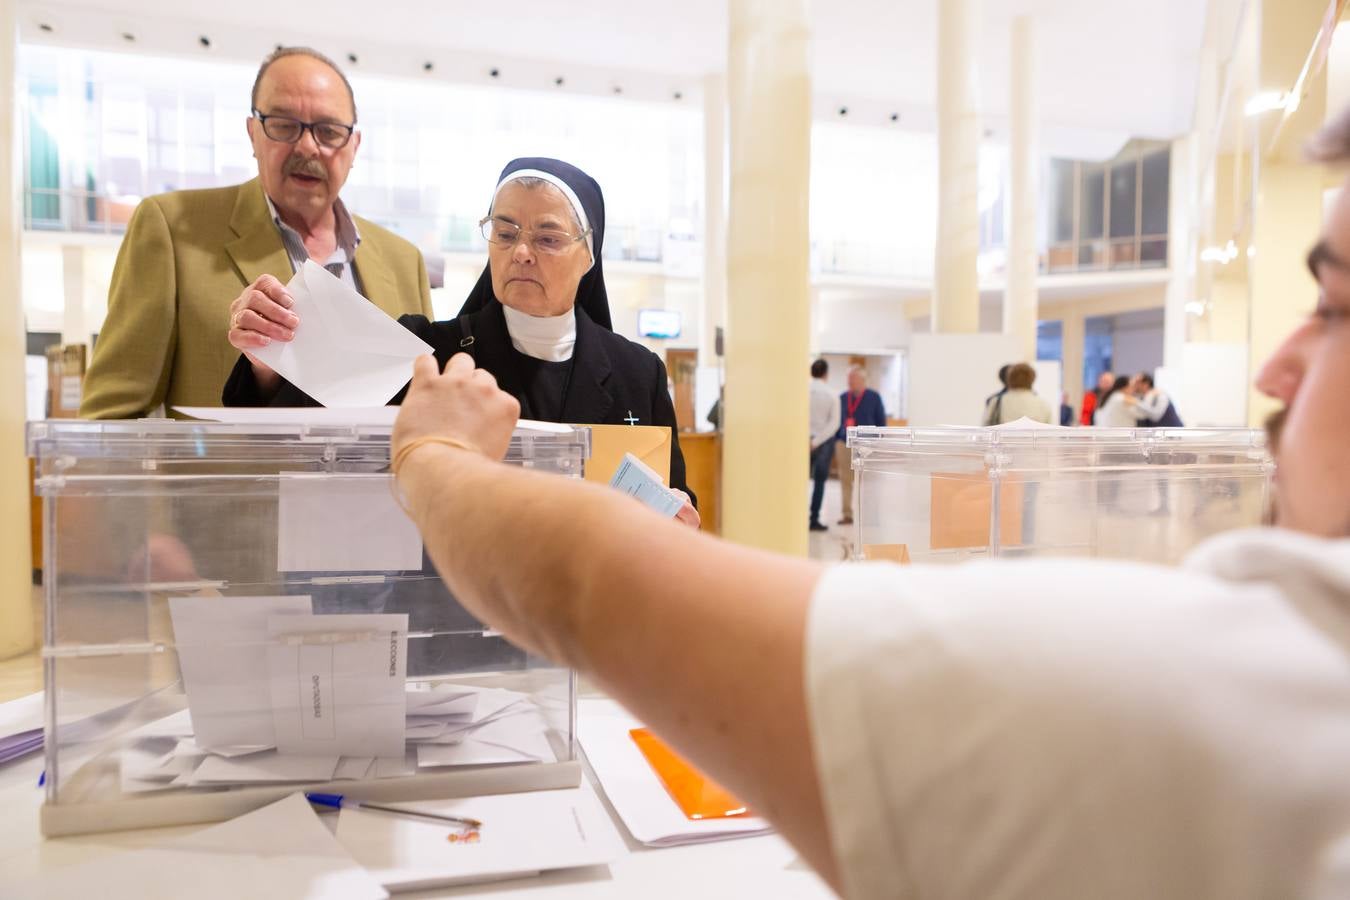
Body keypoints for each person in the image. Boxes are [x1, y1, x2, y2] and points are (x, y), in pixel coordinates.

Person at [386, 107, 1350, 900]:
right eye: (505, 232)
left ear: (584, 254)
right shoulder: (435, 340)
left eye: (1336, 308)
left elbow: (594, 582)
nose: (1275, 365)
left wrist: (433, 460)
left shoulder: (1243, 686)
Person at [223, 156, 697, 525]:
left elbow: (674, 496)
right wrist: (270, 352)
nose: (522, 253)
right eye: (505, 232)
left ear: (589, 255)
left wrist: (678, 514)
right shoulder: (428, 353)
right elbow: (297, 432)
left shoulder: (639, 372)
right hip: (452, 613)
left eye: (548, 239)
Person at [79, 47, 432, 419]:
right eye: (284, 124)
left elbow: (423, 407)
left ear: (354, 145)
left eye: (329, 131)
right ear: (253, 133)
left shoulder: (404, 261)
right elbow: (112, 416)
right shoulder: (171, 229)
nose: (308, 146)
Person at [833, 367, 886, 526]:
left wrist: (878, 444)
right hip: (845, 443)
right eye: (848, 378)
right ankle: (847, 514)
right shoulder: (842, 397)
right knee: (845, 480)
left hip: (867, 445)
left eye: (853, 378)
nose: (849, 381)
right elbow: (836, 420)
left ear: (862, 380)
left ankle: (869, 513)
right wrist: (838, 437)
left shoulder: (874, 397)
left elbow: (881, 422)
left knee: (867, 481)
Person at [808, 359, 840, 532]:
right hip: (823, 442)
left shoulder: (802, 391)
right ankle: (814, 519)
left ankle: (795, 518)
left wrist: (807, 440)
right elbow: (834, 423)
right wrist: (817, 441)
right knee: (819, 482)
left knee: (798, 482)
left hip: (802, 442)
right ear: (826, 374)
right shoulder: (832, 394)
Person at [982, 362, 1052, 425]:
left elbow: (985, 428)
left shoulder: (996, 401)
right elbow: (1050, 432)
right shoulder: (1042, 404)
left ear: (1009, 378)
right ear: (1032, 379)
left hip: (1004, 439)